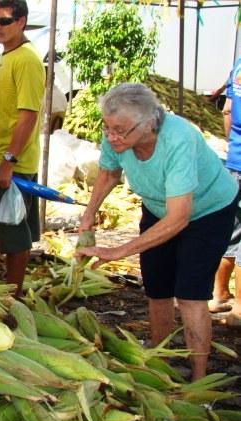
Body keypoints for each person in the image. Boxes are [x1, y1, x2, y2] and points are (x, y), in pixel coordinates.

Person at [75, 83, 240, 381]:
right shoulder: (116, 135)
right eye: (107, 127)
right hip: (158, 207)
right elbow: (110, 173)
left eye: (120, 130)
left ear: (148, 122)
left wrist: (118, 251)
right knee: (157, 288)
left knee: (190, 295)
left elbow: (179, 218)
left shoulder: (178, 139)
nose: (111, 136)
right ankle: (160, 361)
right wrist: (88, 215)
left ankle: (199, 379)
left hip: (207, 212)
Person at [0, 0, 46, 298]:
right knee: (8, 230)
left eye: (4, 21)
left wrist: (8, 161)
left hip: (15, 162)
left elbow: (27, 115)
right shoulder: (6, 56)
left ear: (21, 21)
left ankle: (14, 296)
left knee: (15, 232)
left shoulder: (27, 60)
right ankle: (11, 286)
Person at [211, 58, 241, 319]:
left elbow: (228, 110)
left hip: (235, 160)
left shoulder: (239, 65)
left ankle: (218, 293)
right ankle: (240, 307)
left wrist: (233, 144)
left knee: (231, 230)